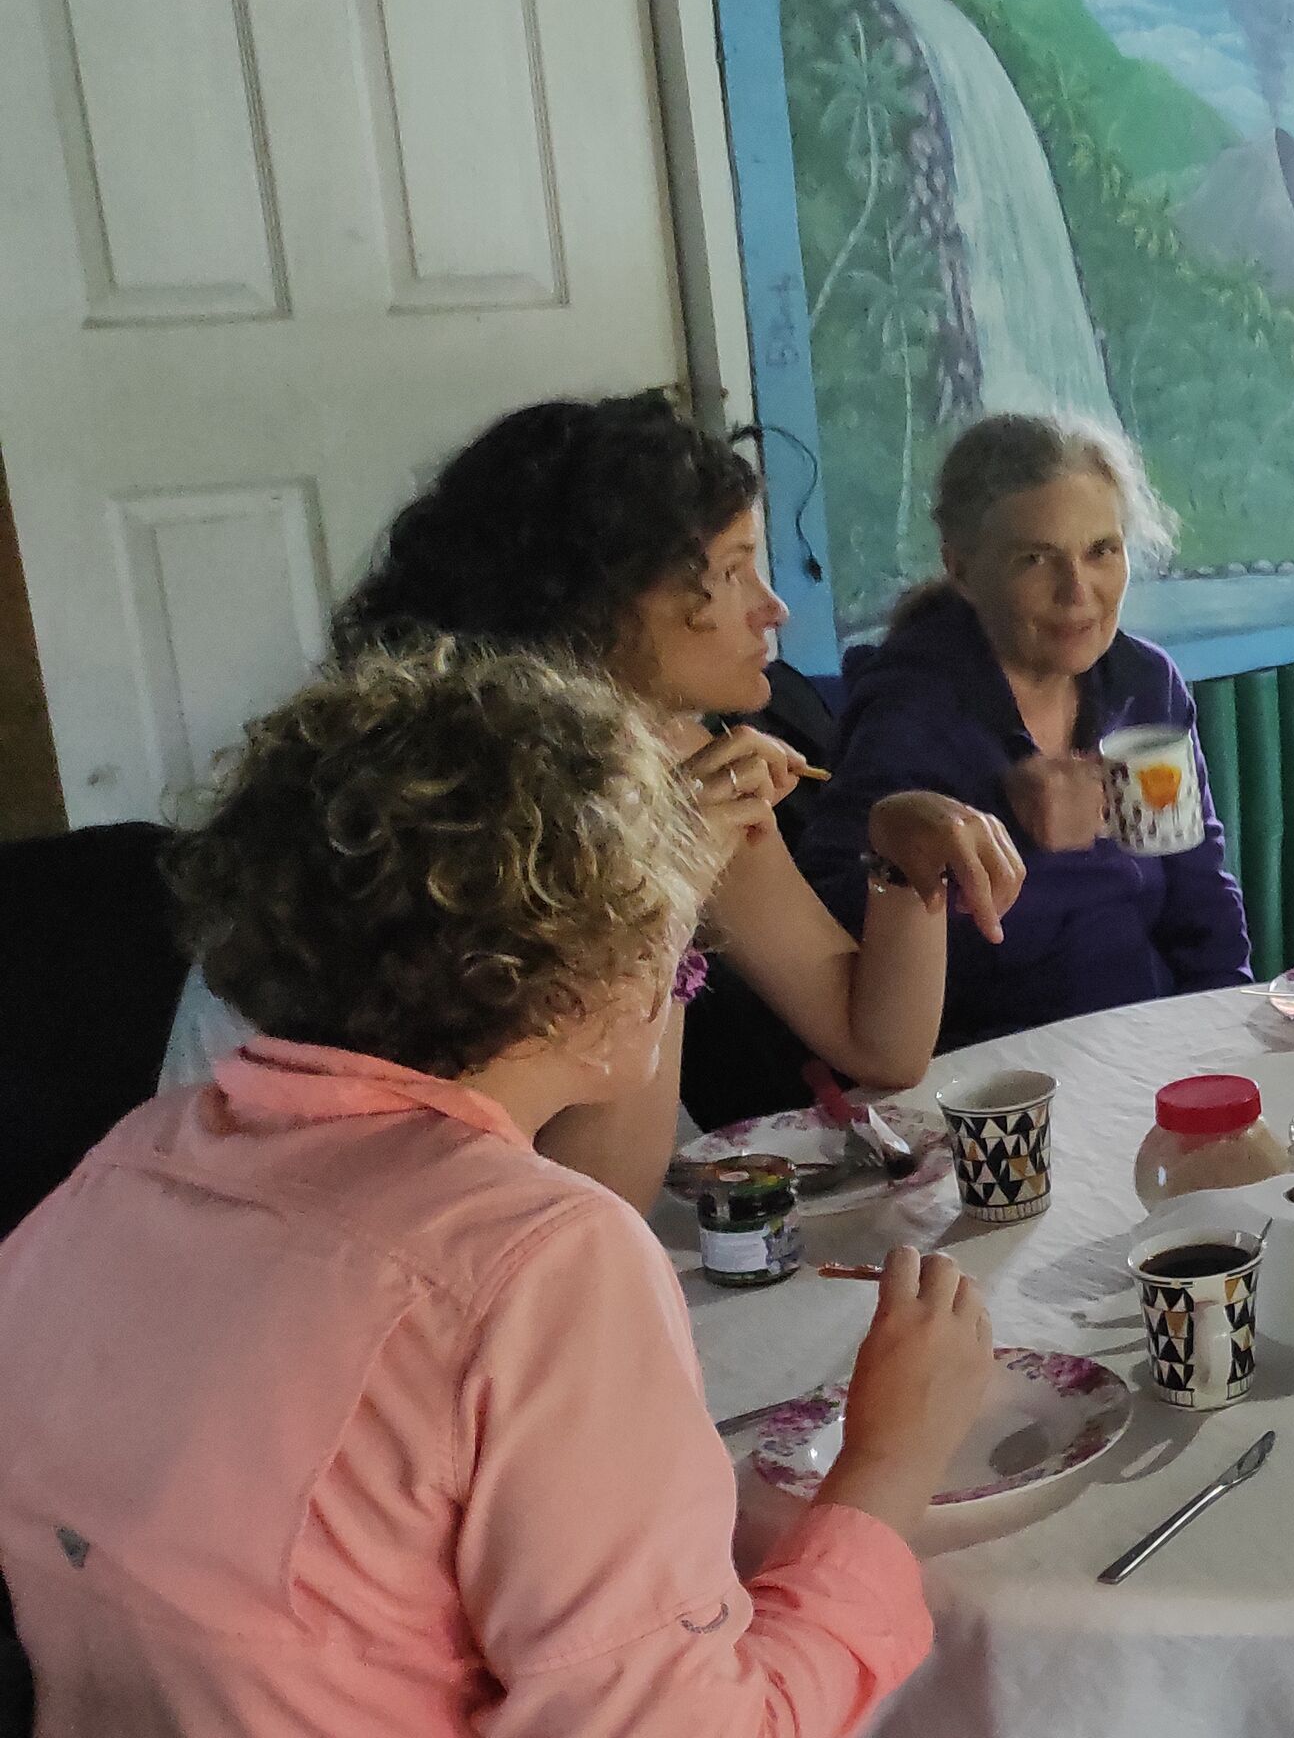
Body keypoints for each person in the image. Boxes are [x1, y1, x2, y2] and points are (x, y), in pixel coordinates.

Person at [0, 644, 993, 1735]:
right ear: (581, 978)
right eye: (666, 930)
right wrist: (887, 1465)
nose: (681, 967)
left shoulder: (129, 1164)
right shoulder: (540, 1262)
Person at [192, 392, 1023, 1211]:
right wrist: (665, 892)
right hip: (299, 1217)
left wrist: (899, 858)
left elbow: (879, 1044)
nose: (773, 608)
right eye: (730, 572)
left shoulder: (678, 757)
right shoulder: (451, 817)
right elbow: (587, 1193)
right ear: (592, 608)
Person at [802, 413, 1251, 1048]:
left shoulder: (1143, 685)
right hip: (991, 1080)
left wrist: (1228, 1039)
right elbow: (833, 926)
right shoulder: (914, 711)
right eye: (1035, 559)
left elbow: (1199, 896)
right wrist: (1004, 832)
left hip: (1147, 1048)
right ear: (962, 571)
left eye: (1101, 551)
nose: (1078, 592)